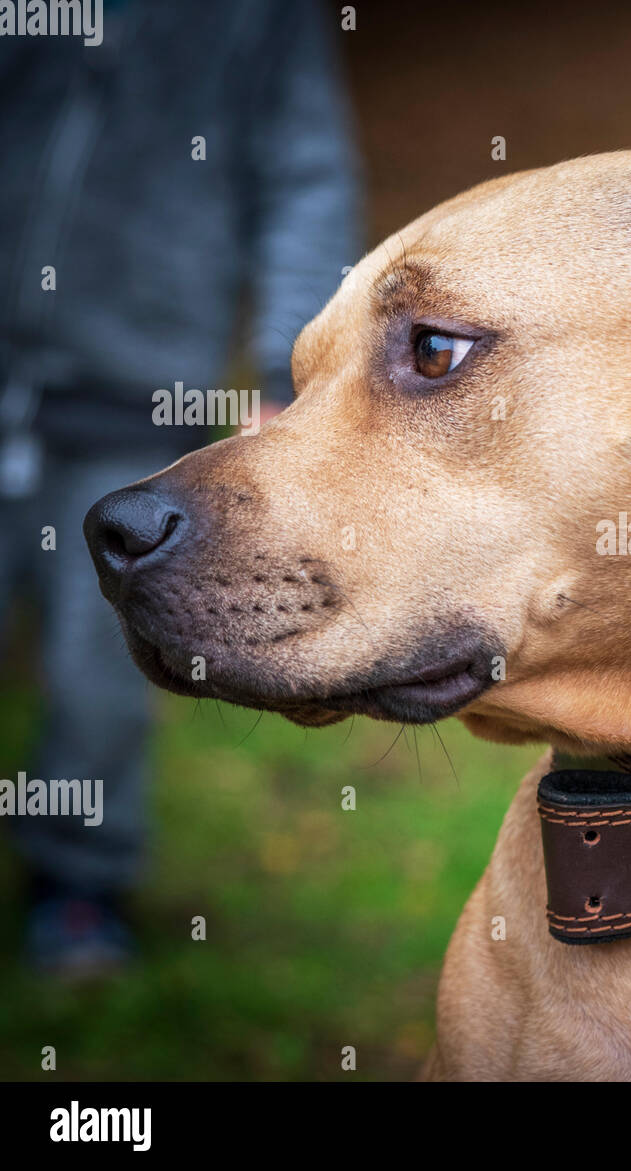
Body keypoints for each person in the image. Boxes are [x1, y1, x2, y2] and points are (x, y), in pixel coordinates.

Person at [0, 0, 361, 975]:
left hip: (132, 398)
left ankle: (79, 884)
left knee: (102, 673)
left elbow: (306, 179)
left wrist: (292, 380)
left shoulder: (257, 18)